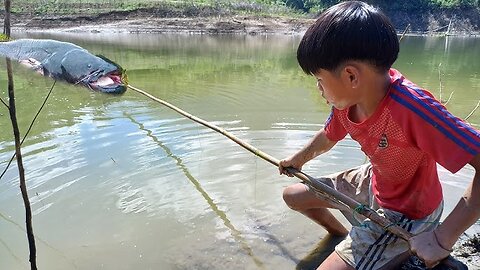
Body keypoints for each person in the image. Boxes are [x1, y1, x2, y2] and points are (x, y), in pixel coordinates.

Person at [278, 1, 480, 269]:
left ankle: (391, 249)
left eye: (319, 80)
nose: (319, 89)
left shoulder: (413, 109)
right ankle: (344, 239)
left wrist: (443, 238)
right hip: (376, 180)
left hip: (408, 211)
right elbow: (328, 136)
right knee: (293, 195)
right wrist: (298, 159)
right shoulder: (347, 103)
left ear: (350, 76)